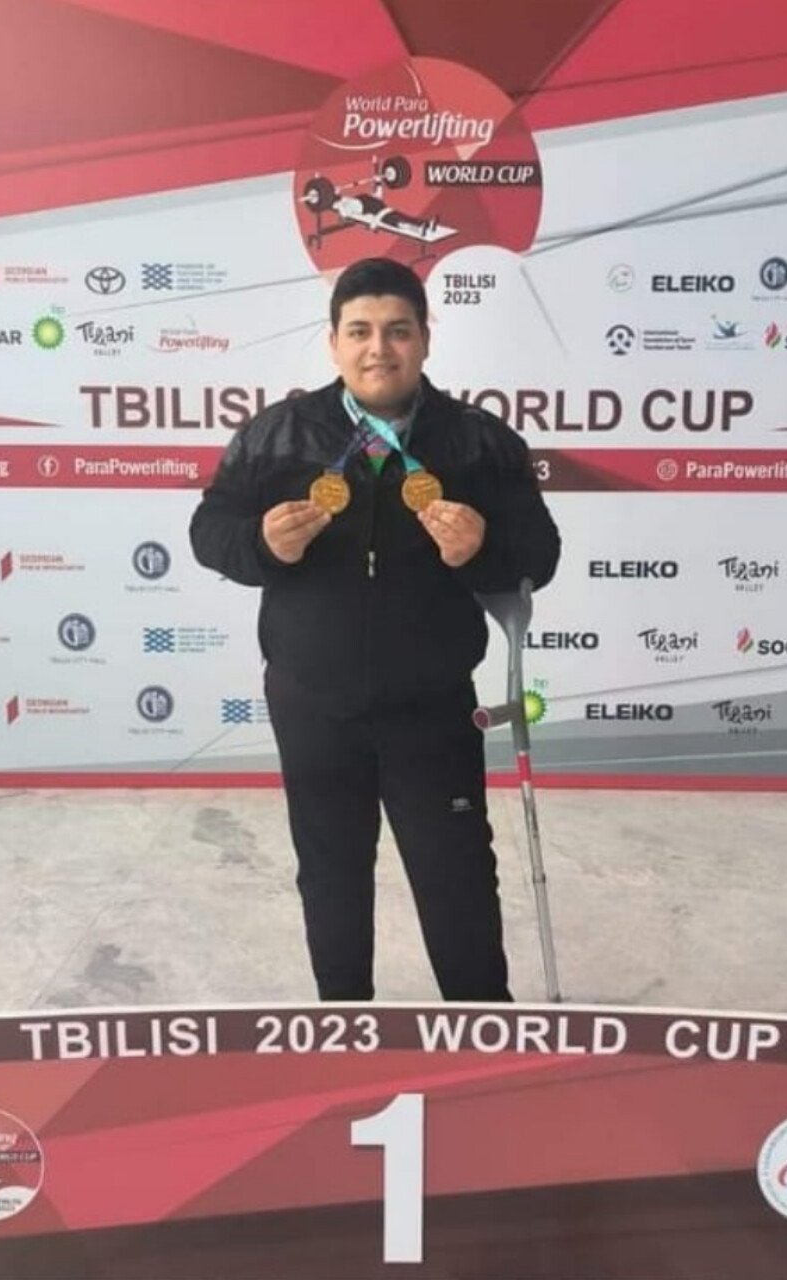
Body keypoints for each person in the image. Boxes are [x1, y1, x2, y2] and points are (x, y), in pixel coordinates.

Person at [189, 257, 561, 1002]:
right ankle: (342, 1028)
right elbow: (210, 530)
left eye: (397, 331)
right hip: (311, 702)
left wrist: (482, 549)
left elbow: (539, 554)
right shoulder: (277, 435)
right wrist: (262, 545)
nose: (378, 349)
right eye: (359, 331)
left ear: (424, 339)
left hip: (431, 705)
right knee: (330, 873)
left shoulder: (478, 440)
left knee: (456, 875)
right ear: (333, 342)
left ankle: (480, 1030)